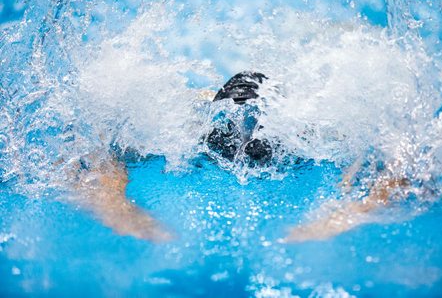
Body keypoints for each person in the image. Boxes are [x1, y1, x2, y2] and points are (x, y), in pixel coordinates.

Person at [72, 71, 410, 242]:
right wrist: (114, 206)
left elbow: (402, 167)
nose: (244, 148)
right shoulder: (186, 130)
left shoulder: (308, 133)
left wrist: (348, 215)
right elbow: (87, 152)